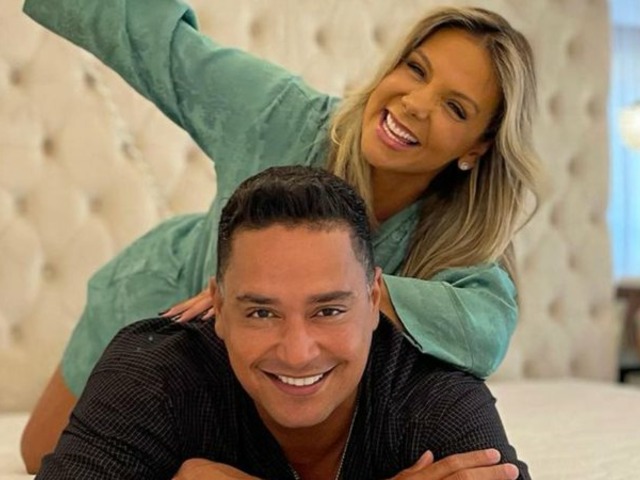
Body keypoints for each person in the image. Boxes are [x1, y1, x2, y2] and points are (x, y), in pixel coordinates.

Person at [21, 0, 543, 472]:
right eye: (416, 69)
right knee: (39, 452)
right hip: (163, 301)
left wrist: (366, 292)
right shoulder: (278, 114)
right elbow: (166, 49)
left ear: (477, 146)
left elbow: (487, 331)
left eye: (455, 107)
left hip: (267, 384)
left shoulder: (463, 236)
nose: (415, 103)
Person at [36, 166, 529, 480]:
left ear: (374, 298)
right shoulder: (155, 374)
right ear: (218, 307)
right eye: (261, 313)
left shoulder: (431, 395)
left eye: (328, 311)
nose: (297, 352)